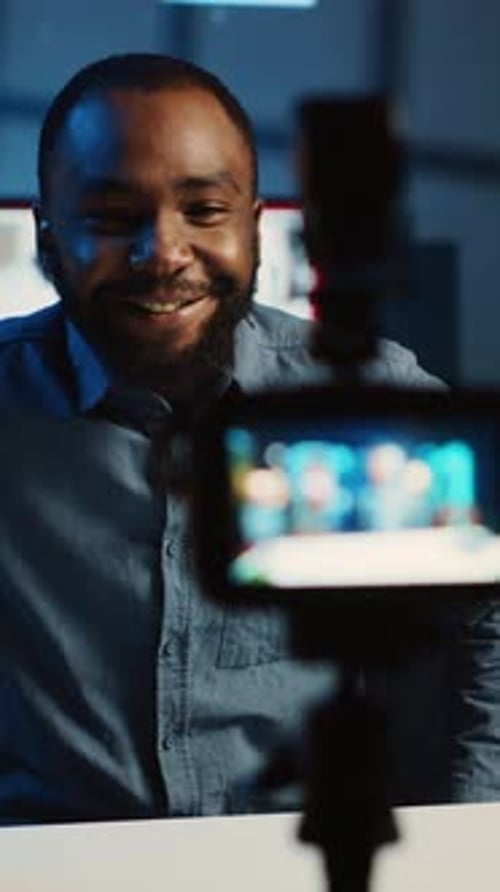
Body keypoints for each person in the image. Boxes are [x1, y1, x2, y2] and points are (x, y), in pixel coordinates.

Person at [0, 52, 453, 825]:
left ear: (254, 226)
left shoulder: (372, 401)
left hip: (300, 857)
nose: (163, 255)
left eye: (204, 212)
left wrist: (480, 823)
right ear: (47, 234)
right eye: (111, 218)